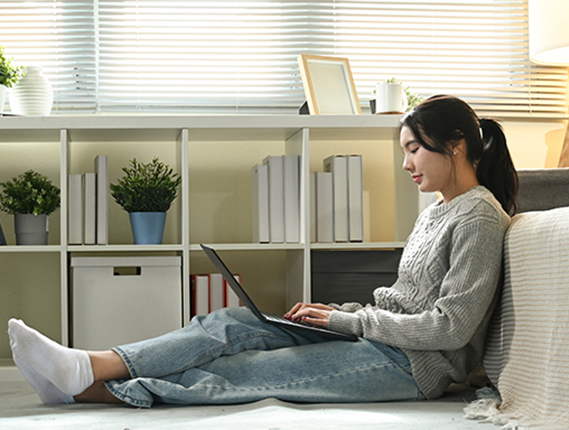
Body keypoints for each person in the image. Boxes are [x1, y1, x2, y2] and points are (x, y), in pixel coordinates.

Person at [8, 95, 518, 408]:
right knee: (229, 323)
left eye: (413, 149)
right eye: (404, 149)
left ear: (454, 145)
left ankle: (86, 388)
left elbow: (452, 328)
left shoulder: (478, 216)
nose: (406, 162)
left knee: (245, 370)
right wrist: (337, 313)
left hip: (411, 367)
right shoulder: (434, 211)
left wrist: (352, 324)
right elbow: (402, 302)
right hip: (377, 337)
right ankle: (94, 364)